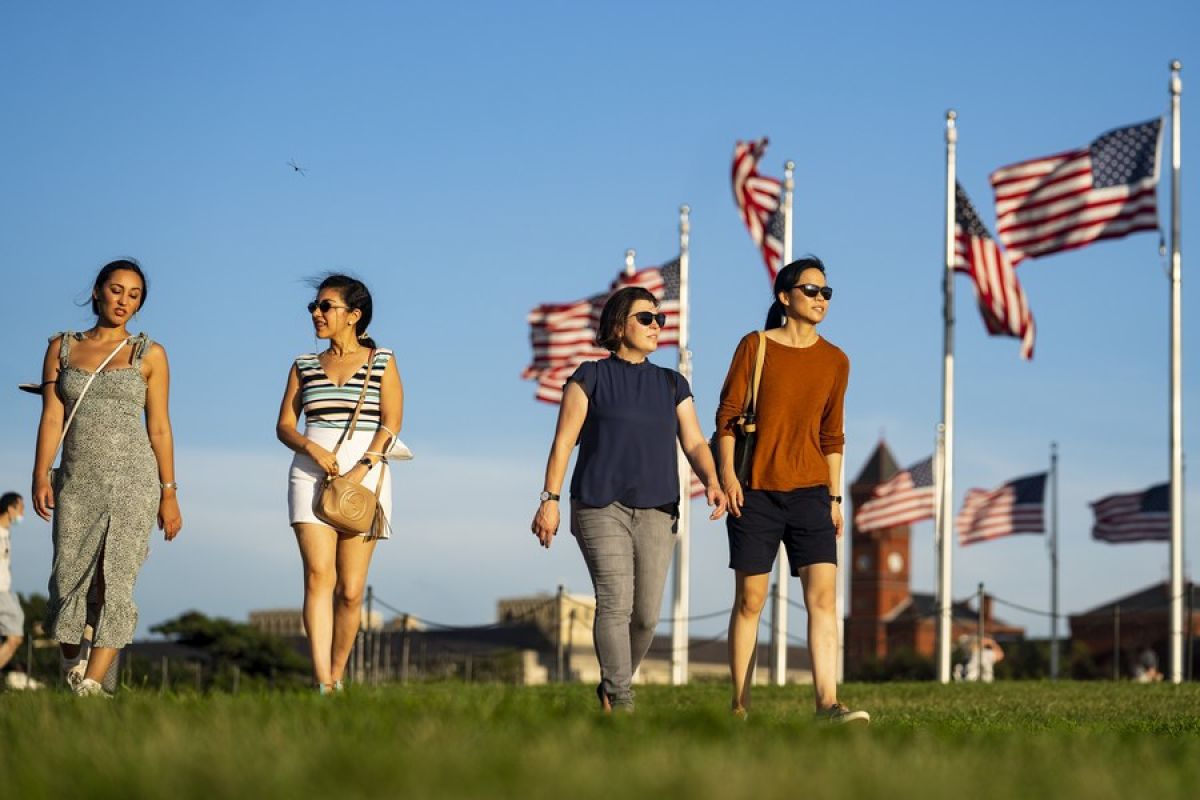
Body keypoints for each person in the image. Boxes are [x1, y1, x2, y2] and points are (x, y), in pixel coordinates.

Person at [530, 287, 727, 712]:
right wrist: (550, 499)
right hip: (600, 504)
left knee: (646, 617)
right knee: (614, 601)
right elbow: (563, 443)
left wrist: (711, 478)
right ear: (619, 327)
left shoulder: (672, 383)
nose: (657, 326)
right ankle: (621, 699)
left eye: (661, 320)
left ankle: (611, 684)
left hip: (658, 509)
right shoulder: (590, 377)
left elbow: (693, 441)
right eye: (647, 319)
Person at [716, 257, 867, 723]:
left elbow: (832, 436)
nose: (821, 299)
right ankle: (739, 707)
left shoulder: (836, 360)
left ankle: (827, 704)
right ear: (785, 297)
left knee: (824, 600)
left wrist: (836, 499)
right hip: (755, 491)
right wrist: (726, 477)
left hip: (812, 495)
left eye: (826, 292)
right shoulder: (755, 346)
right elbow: (726, 418)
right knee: (750, 602)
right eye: (811, 290)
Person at [30, 259, 183, 697]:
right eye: (117, 290)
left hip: (135, 479)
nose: (124, 301)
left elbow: (159, 427)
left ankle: (93, 686)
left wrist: (169, 493)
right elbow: (51, 416)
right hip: (77, 480)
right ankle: (74, 663)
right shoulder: (62, 347)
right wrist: (41, 473)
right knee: (67, 580)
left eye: (134, 295)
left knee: (116, 578)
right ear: (97, 291)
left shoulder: (149, 353)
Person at [276, 274, 403, 694]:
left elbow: (392, 424)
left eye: (325, 307)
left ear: (353, 315)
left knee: (350, 592)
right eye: (314, 307)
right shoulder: (303, 365)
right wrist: (312, 450)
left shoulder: (382, 360)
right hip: (309, 475)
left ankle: (338, 672)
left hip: (365, 480)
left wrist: (361, 468)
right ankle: (322, 683)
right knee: (318, 577)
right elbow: (284, 426)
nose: (316, 313)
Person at [0, 493, 26, 672]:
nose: (22, 513)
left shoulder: (5, 533)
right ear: (10, 509)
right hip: (1, 592)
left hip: (5, 591)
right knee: (15, 637)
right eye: (21, 508)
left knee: (14, 637)